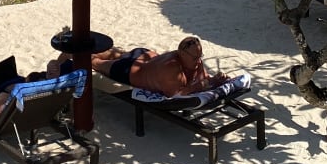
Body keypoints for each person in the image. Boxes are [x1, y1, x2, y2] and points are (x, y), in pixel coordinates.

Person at [92, 36, 230, 97]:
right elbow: (176, 94)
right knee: (96, 63)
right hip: (129, 70)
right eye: (195, 57)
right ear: (181, 54)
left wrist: (215, 80)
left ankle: (93, 45)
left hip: (145, 55)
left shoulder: (195, 60)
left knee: (117, 54)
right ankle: (75, 51)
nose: (199, 60)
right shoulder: (172, 69)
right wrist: (203, 84)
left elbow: (203, 79)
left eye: (200, 55)